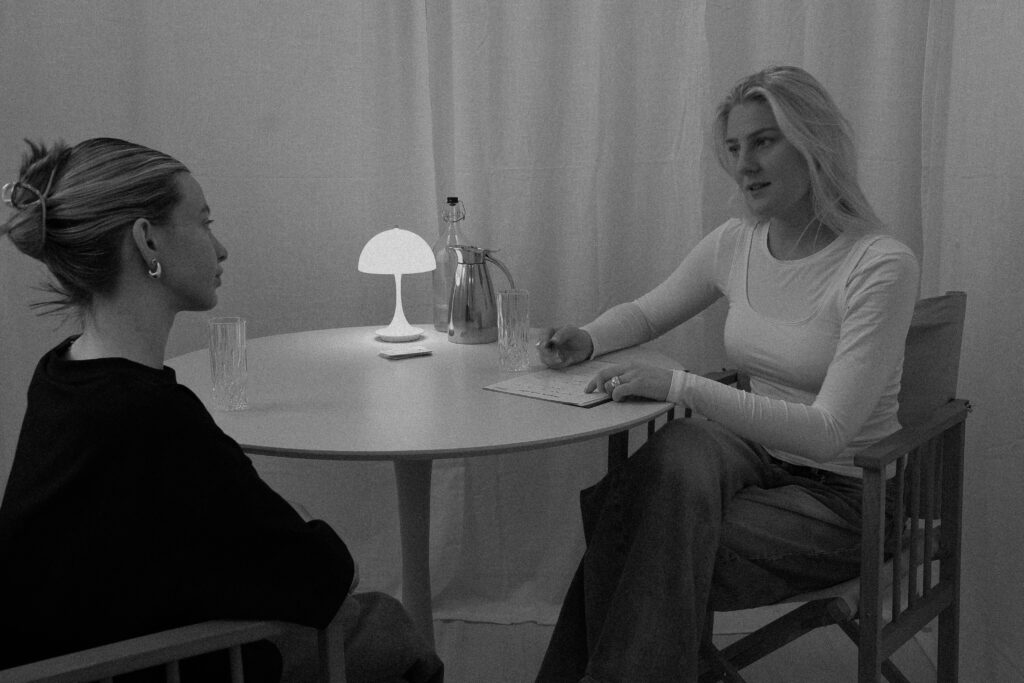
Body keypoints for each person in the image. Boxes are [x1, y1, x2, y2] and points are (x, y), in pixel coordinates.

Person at [0, 138, 443, 682]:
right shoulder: (151, 415)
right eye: (204, 223)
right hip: (141, 664)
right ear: (147, 241)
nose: (222, 248)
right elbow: (326, 574)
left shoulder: (62, 375)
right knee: (391, 631)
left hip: (82, 655)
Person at [533, 66, 920, 682]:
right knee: (677, 450)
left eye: (764, 141)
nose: (744, 165)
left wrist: (680, 386)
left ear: (814, 142)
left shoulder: (879, 264)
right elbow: (648, 312)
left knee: (634, 522)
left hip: (848, 496)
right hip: (750, 460)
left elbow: (829, 434)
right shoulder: (737, 242)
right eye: (735, 148)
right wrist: (588, 337)